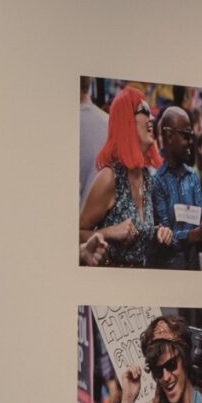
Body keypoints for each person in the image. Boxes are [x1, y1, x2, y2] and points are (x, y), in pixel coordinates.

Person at [79, 84, 158, 267]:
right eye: (144, 111)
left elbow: (140, 233)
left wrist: (158, 231)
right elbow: (76, 233)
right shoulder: (110, 177)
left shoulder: (146, 177)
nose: (152, 117)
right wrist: (109, 232)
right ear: (127, 120)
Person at [146, 102, 202, 270]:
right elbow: (165, 236)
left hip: (193, 268)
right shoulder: (155, 180)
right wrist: (195, 235)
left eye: (191, 135)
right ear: (169, 136)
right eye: (186, 136)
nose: (191, 142)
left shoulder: (192, 176)